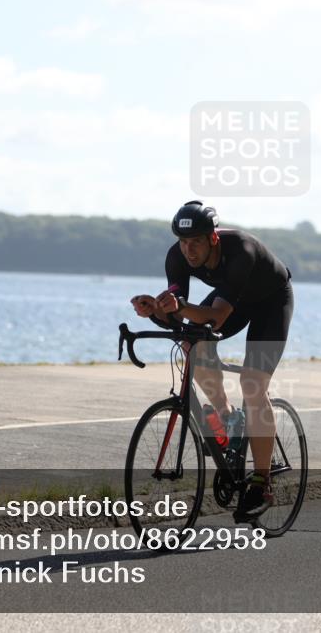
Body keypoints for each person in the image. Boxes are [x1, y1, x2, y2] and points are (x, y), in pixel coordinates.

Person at [130, 201, 294, 521]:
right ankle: (229, 417)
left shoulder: (241, 251)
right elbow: (178, 313)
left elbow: (216, 317)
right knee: (194, 346)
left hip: (271, 302)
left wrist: (177, 307)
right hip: (235, 299)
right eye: (183, 242)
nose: (189, 251)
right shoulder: (177, 256)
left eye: (196, 243)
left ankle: (262, 484)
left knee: (252, 384)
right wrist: (156, 310)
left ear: (213, 239)